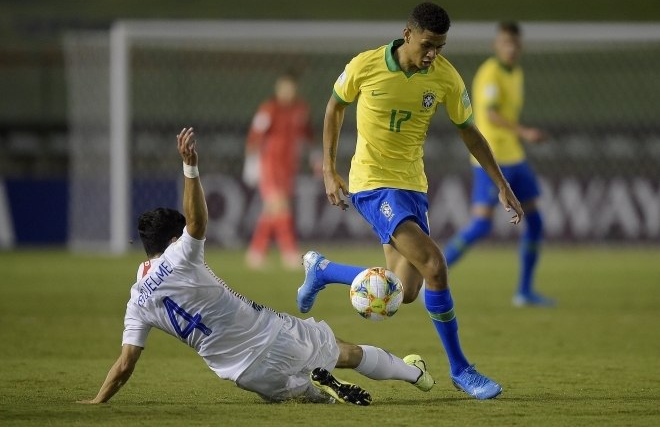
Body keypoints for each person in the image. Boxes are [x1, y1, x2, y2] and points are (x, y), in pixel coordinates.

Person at [78, 128, 434, 407]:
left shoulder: (137, 301)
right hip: (273, 333)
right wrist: (190, 166)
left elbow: (125, 364)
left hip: (245, 374)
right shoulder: (180, 254)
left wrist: (97, 400)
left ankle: (323, 389)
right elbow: (198, 223)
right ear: (174, 238)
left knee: (312, 399)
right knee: (348, 352)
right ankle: (416, 375)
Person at [296, 2, 525, 400]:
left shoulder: (445, 78)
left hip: (413, 186)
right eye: (427, 45)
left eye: (440, 46)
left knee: (404, 289)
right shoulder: (366, 65)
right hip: (372, 184)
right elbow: (335, 106)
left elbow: (469, 132)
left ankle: (323, 269)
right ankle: (462, 370)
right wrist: (329, 170)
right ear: (408, 34)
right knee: (435, 265)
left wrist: (501, 183)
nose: (433, 54)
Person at [442, 22, 554, 307]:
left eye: (515, 43)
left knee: (536, 221)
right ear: (496, 45)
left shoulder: (515, 72)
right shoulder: (489, 73)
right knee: (481, 225)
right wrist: (526, 132)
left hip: (515, 158)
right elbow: (490, 115)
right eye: (506, 43)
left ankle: (524, 291)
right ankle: (432, 275)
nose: (511, 48)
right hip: (491, 160)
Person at [243, 72, 317, 270]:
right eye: (284, 87)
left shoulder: (301, 109)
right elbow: (255, 136)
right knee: (280, 205)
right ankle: (289, 251)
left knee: (273, 209)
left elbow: (308, 135)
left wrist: (315, 157)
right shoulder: (269, 109)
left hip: (288, 166)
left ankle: (256, 252)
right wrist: (251, 162)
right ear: (278, 89)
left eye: (291, 87)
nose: (288, 91)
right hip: (270, 164)